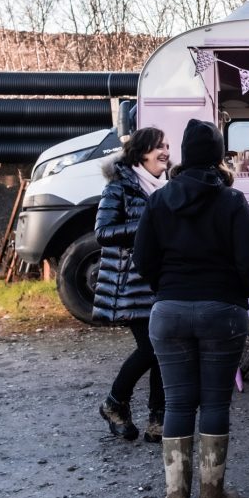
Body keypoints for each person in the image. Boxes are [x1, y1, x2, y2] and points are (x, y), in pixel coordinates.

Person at [134, 119, 249, 498]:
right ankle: (211, 496)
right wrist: (239, 292)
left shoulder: (158, 200)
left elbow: (142, 260)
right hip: (222, 311)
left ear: (185, 156)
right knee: (214, 401)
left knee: (177, 402)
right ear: (218, 156)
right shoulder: (232, 200)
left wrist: (167, 289)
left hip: (168, 311)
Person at [93, 127, 169, 444]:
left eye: (166, 145)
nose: (165, 151)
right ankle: (114, 403)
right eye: (158, 147)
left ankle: (158, 420)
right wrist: (148, 225)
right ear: (141, 153)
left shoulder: (165, 187)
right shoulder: (119, 189)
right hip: (130, 283)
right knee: (151, 348)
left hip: (160, 281)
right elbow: (103, 232)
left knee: (163, 350)